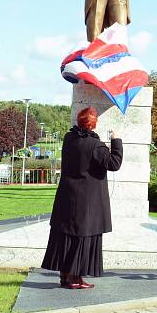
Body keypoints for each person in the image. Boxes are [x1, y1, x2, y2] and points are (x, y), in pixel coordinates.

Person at [41, 107, 123, 289]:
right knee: (82, 237)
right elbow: (114, 163)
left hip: (67, 195)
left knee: (67, 236)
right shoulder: (95, 146)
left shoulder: (69, 139)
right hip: (88, 200)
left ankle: (65, 275)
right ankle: (75, 279)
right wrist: (116, 140)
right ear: (93, 125)